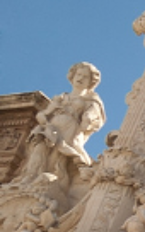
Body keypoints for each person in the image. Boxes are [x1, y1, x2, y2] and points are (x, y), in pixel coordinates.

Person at [14, 62, 105, 191]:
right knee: (40, 146)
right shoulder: (61, 97)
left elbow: (93, 118)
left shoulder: (92, 100)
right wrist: (42, 117)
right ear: (72, 76)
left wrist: (88, 118)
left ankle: (53, 179)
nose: (80, 78)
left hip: (70, 129)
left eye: (85, 77)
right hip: (52, 126)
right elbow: (44, 113)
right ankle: (31, 176)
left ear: (91, 82)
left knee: (58, 154)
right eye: (78, 74)